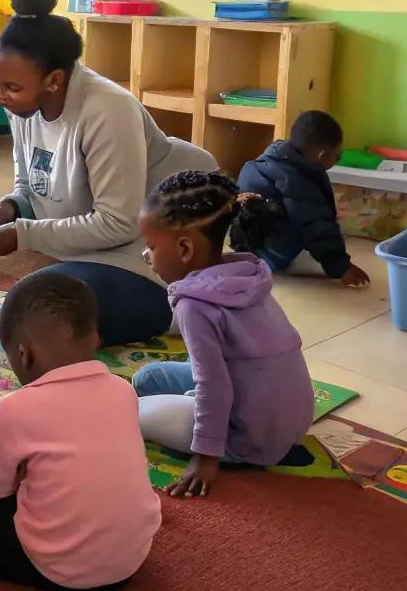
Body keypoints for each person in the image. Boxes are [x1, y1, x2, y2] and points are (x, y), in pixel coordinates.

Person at [0, 0, 217, 346]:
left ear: (53, 80)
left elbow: (119, 224)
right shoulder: (22, 103)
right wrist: (7, 209)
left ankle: (187, 307)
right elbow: (32, 183)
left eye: (12, 87)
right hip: (95, 243)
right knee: (24, 316)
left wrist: (23, 235)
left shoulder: (108, 110)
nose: (0, 96)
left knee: (47, 324)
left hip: (152, 250)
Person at [0, 272, 160, 591]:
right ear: (95, 340)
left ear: (24, 354)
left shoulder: (16, 408)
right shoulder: (123, 391)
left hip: (61, 571)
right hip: (129, 561)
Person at [133, 170, 315, 498]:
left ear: (185, 248)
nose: (146, 256)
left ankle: (210, 434)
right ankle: (188, 409)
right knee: (148, 377)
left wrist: (206, 457)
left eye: (151, 246)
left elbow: (213, 386)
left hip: (250, 438)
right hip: (289, 421)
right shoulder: (245, 272)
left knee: (128, 414)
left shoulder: (194, 305)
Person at [237, 110, 370, 288]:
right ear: (323, 156)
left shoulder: (273, 156)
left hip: (248, 246)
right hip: (275, 254)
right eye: (337, 155)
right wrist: (342, 267)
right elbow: (317, 226)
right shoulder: (297, 182)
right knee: (319, 249)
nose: (337, 160)